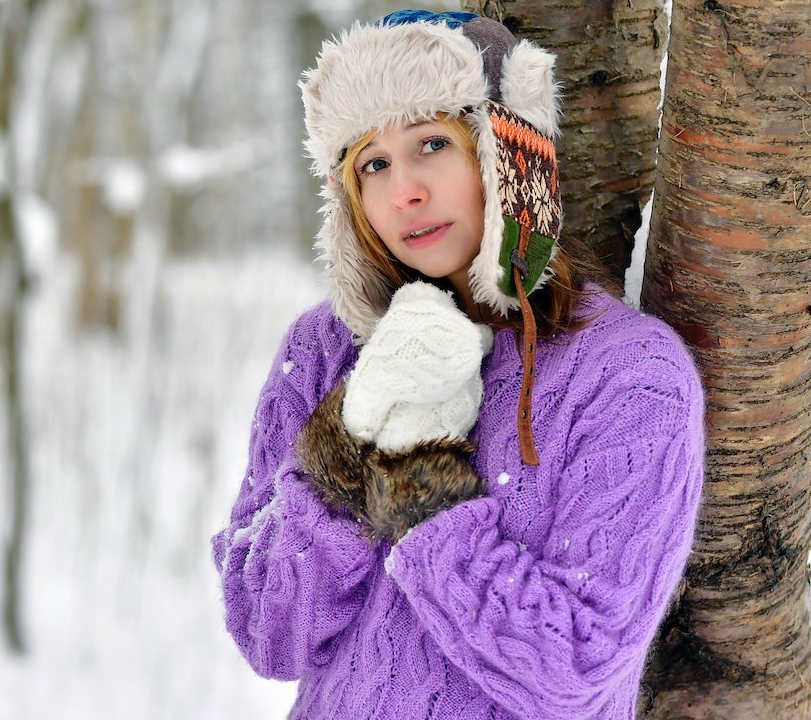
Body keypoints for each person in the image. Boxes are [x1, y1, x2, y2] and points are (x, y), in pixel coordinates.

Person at [211, 10, 705, 719]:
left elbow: (574, 667)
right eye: (372, 164)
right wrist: (347, 447)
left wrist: (417, 482)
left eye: (432, 143)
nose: (402, 191)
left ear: (508, 157)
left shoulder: (629, 373)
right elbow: (266, 632)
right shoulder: (324, 349)